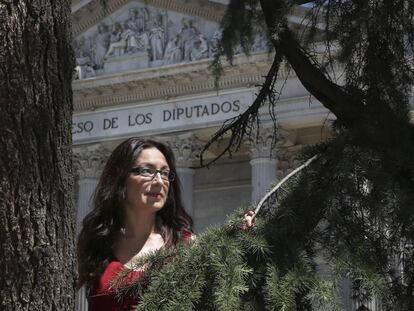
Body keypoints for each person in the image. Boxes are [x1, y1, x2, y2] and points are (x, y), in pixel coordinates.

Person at [77, 138, 254, 310]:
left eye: (164, 173)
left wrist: (239, 244)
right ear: (120, 176)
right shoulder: (96, 244)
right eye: (147, 171)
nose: (160, 181)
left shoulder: (186, 246)